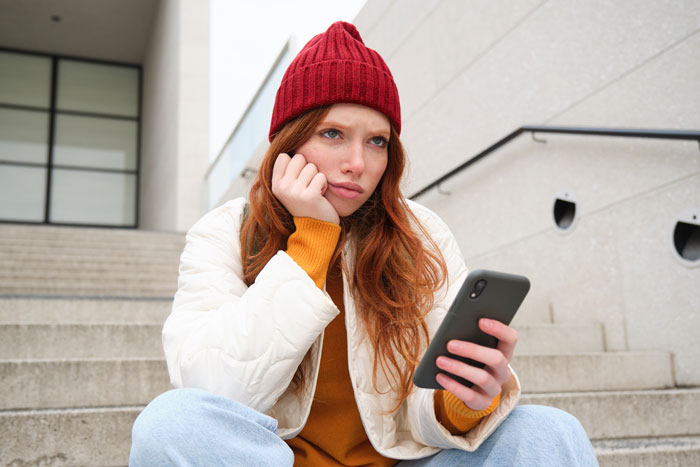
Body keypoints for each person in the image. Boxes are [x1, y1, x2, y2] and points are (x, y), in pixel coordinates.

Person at [129, 21, 598, 466]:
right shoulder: (224, 231)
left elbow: (419, 411)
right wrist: (312, 239)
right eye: (333, 134)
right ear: (288, 142)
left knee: (550, 431)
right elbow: (214, 389)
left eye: (376, 141)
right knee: (170, 426)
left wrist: (460, 403)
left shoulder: (421, 233)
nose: (358, 162)